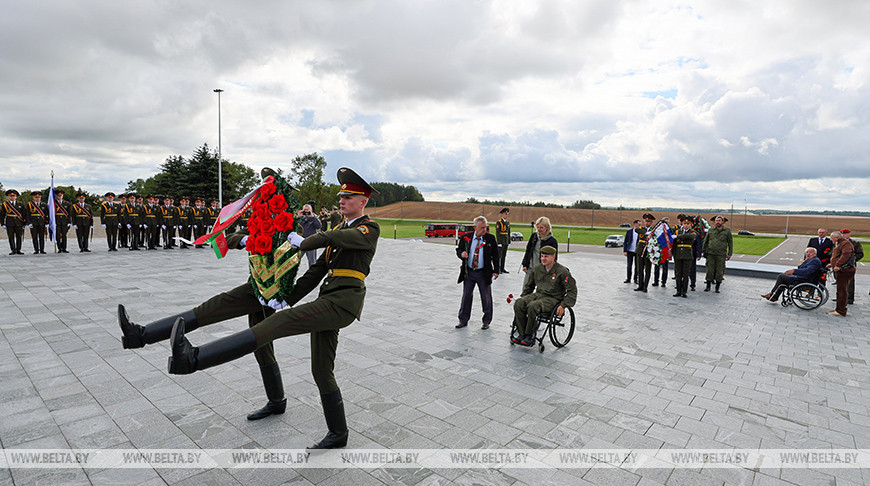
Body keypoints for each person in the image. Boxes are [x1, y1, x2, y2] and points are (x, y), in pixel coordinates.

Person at [117, 167, 379, 450]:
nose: (342, 200)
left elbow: (336, 241)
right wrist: (285, 295)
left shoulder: (367, 228)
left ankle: (193, 359)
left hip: (341, 302)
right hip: (265, 287)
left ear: (362, 201)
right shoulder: (295, 222)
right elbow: (315, 271)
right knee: (315, 366)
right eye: (341, 195)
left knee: (271, 328)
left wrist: (304, 242)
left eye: (348, 197)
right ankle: (332, 430)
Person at [511, 246, 577, 347]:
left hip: (553, 299)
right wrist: (524, 298)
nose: (543, 259)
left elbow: (572, 290)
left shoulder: (562, 271)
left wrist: (563, 305)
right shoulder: (537, 269)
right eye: (542, 256)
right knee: (519, 303)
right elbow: (529, 286)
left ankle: (529, 335)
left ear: (553, 257)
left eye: (546, 256)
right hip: (538, 295)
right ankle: (522, 333)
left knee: (533, 306)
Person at [455, 216, 500, 330]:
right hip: (469, 272)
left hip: (483, 273)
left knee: (486, 297)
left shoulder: (490, 238)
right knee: (466, 296)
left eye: (486, 227)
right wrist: (461, 254)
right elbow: (459, 249)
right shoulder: (466, 237)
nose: (484, 230)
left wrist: (496, 271)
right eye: (482, 228)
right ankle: (463, 320)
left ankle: (486, 321)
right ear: (475, 227)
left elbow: (496, 255)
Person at [522, 216, 558, 287]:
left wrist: (551, 270)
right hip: (531, 268)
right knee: (526, 289)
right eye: (537, 227)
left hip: (543, 270)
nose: (539, 229)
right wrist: (525, 264)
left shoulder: (552, 241)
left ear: (547, 227)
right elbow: (528, 251)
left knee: (542, 291)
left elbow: (554, 257)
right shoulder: (534, 236)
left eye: (541, 227)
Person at [827, 230, 855, 317]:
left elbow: (846, 255)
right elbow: (838, 255)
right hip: (842, 270)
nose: (831, 240)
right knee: (841, 290)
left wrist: (838, 265)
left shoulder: (845, 243)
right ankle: (839, 308)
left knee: (842, 290)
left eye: (832, 239)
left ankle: (841, 311)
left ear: (836, 237)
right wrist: (832, 264)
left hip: (844, 270)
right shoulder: (841, 243)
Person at [702, 215, 732, 293]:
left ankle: (717, 287)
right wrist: (704, 251)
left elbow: (730, 243)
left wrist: (729, 253)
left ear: (722, 222)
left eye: (719, 220)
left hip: (721, 254)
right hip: (711, 253)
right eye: (716, 221)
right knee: (710, 270)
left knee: (719, 271)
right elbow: (706, 241)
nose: (718, 222)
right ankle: (708, 286)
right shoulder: (711, 230)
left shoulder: (727, 231)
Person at [672, 218, 697, 298]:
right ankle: (678, 290)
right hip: (678, 254)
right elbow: (674, 244)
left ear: (690, 225)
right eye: (685, 224)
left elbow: (690, 236)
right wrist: (673, 254)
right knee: (678, 273)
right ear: (682, 224)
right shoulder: (677, 231)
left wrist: (678, 236)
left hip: (687, 255)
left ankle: (684, 291)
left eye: (688, 224)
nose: (686, 225)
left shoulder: (692, 232)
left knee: (686, 273)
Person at [1, 189, 27, 255]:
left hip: (19, 222)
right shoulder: (5, 204)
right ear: (8, 197)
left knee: (19, 236)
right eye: (10, 196)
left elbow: (24, 214)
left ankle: (18, 249)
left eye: (13, 196)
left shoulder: (20, 204)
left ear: (16, 197)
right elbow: (2, 214)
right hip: (9, 222)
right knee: (11, 237)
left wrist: (24, 223)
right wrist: (2, 223)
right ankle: (13, 249)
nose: (12, 197)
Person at [634, 214, 655, 292]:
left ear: (652, 222)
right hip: (640, 250)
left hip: (648, 251)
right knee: (640, 269)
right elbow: (637, 230)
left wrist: (649, 232)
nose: (647, 223)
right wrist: (647, 232)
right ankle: (640, 285)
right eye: (646, 221)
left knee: (647, 270)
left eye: (649, 221)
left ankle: (645, 286)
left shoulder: (654, 230)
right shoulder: (641, 229)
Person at [841, 230, 862, 306]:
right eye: (842, 234)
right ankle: (840, 297)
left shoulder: (854, 243)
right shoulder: (839, 242)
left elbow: (860, 254)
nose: (843, 235)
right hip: (840, 264)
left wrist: (852, 260)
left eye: (845, 234)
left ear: (849, 235)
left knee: (850, 282)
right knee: (840, 281)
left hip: (850, 265)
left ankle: (849, 298)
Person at [495, 208, 511, 273]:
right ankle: (498, 269)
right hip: (501, 241)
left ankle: (502, 268)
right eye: (505, 214)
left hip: (506, 241)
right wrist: (499, 242)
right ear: (502, 214)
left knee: (504, 255)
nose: (506, 215)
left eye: (507, 214)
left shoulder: (507, 222)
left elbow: (508, 233)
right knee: (499, 256)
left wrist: (509, 241)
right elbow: (498, 233)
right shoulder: (499, 222)